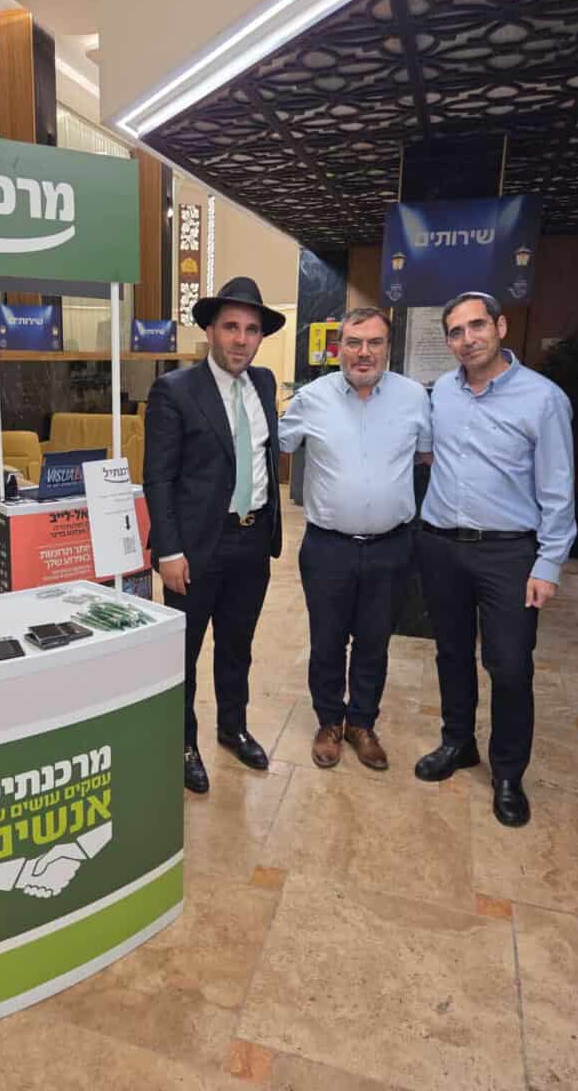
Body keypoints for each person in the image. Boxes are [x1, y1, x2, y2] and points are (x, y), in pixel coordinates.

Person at [412, 291, 576, 827]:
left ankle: (508, 773)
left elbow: (558, 489)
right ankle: (458, 742)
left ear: (501, 326)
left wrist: (548, 563)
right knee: (452, 653)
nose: (468, 339)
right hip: (441, 545)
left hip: (509, 553)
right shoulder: (441, 394)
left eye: (477, 326)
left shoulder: (543, 399)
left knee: (508, 665)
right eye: (456, 332)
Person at [143, 275, 285, 794]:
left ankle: (233, 727)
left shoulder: (264, 383)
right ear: (210, 330)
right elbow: (158, 477)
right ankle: (182, 743)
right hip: (197, 547)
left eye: (251, 330)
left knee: (237, 646)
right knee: (183, 652)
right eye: (231, 327)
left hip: (252, 541)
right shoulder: (175, 390)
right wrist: (169, 550)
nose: (241, 340)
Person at [275, 306, 432, 772]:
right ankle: (329, 722)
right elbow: (274, 445)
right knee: (326, 642)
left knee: (374, 642)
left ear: (388, 347)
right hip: (328, 548)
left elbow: (427, 456)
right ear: (338, 348)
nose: (364, 352)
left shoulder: (413, 398)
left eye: (374, 343)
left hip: (391, 547)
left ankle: (362, 723)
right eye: (354, 343)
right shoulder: (311, 399)